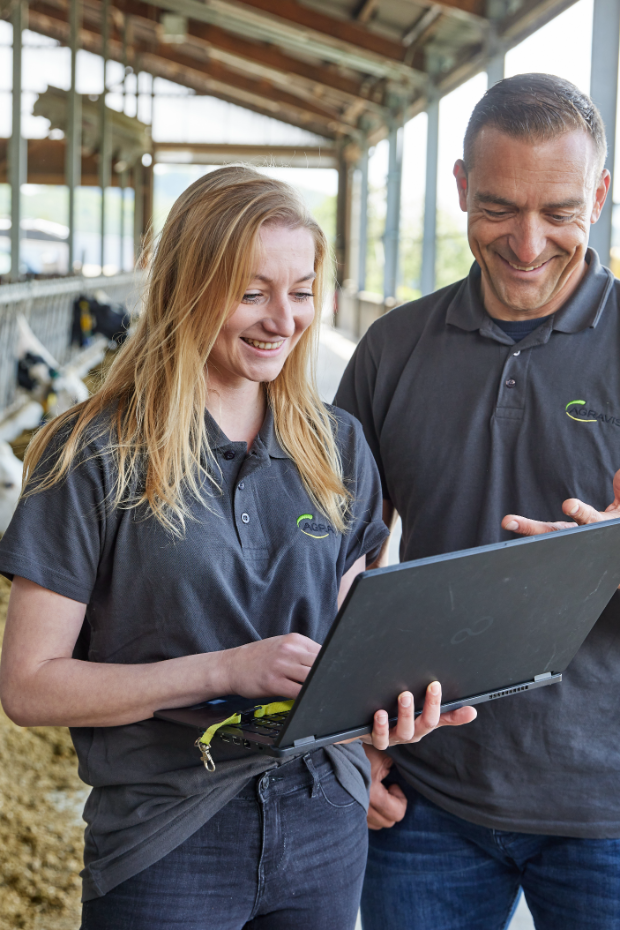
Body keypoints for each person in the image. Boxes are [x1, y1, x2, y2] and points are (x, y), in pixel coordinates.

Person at [0, 167, 474, 930]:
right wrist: (224, 670)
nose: (282, 320)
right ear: (188, 288)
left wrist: (400, 701)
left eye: (302, 291)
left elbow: (351, 642)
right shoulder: (90, 451)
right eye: (250, 293)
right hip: (167, 832)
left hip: (323, 816)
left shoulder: (336, 444)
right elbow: (28, 687)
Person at [335, 73, 620, 930]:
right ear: (460, 185)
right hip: (425, 794)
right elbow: (329, 557)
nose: (528, 243)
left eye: (561, 211)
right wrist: (344, 741)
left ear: (601, 197)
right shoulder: (391, 349)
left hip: (606, 808)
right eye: (498, 207)